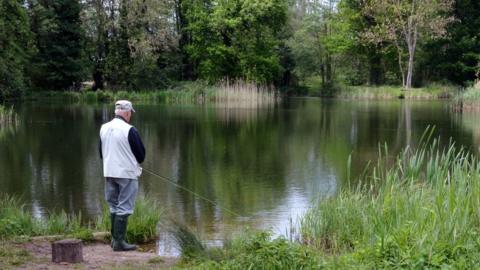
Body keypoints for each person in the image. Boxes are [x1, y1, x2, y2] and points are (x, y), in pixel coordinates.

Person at [99, 100, 145, 251]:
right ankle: (119, 243)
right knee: (124, 207)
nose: (131, 115)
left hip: (108, 172)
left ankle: (114, 241)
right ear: (126, 112)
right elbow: (141, 155)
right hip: (127, 174)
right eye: (130, 112)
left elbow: (101, 153)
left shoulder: (104, 128)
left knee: (113, 205)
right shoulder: (129, 130)